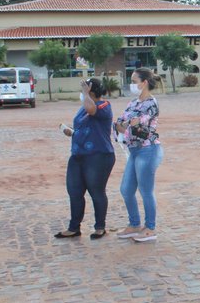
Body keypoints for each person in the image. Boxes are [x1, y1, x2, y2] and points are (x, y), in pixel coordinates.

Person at [55, 78, 116, 240]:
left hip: (99, 156)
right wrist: (72, 132)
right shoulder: (83, 108)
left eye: (84, 88)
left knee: (96, 191)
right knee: (74, 191)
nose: (81, 92)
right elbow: (84, 126)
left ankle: (100, 227)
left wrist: (85, 93)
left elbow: (92, 110)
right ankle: (74, 227)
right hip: (78, 156)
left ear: (91, 91)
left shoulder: (104, 105)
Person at [115, 68, 164, 242]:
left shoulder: (151, 103)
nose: (132, 84)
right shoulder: (132, 103)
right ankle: (134, 224)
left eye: (134, 81)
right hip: (134, 150)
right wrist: (127, 124)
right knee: (126, 189)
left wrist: (127, 124)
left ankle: (150, 228)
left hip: (148, 150)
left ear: (144, 83)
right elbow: (120, 123)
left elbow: (135, 123)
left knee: (145, 190)